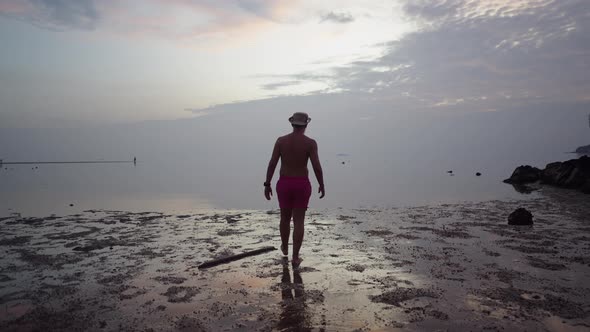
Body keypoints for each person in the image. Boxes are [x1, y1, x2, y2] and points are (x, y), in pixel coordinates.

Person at [264, 112, 325, 267]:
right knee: (299, 221)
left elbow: (272, 163)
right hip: (301, 184)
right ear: (306, 125)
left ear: (292, 124)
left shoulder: (281, 141)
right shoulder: (310, 143)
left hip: (284, 183)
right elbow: (316, 166)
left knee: (284, 218)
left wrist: (267, 184)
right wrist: (321, 184)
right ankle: (295, 257)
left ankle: (284, 246)